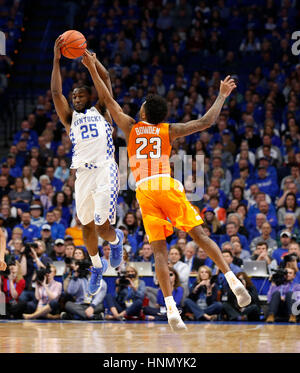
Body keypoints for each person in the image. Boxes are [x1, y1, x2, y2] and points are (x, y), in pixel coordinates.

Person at [84, 52, 250, 332]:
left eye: (142, 106)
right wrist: (221, 95)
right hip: (166, 184)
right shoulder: (168, 130)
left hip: (145, 192)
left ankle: (171, 307)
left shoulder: (131, 127)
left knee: (159, 253)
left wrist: (90, 67)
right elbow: (206, 123)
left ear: (145, 112)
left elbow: (108, 99)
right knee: (199, 235)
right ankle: (232, 278)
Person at [51, 37, 124, 296]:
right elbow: (56, 93)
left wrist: (92, 65)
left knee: (103, 227)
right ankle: (96, 265)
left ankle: (116, 242)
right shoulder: (70, 118)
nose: (76, 98)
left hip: (105, 170)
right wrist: (57, 59)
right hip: (82, 174)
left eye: (81, 95)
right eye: (75, 96)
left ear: (89, 96)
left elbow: (106, 82)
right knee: (86, 226)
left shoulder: (102, 110)